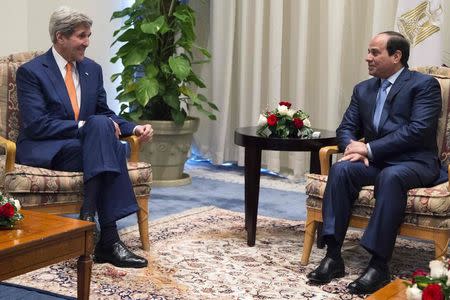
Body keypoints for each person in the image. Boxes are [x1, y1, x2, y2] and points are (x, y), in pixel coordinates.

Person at [306, 31, 445, 294]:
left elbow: (418, 130)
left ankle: (379, 265)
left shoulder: (423, 85)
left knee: (390, 176)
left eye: (374, 53)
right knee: (342, 169)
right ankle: (333, 256)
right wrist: (353, 148)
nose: (367, 58)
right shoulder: (363, 89)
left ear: (396, 56)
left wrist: (368, 148)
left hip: (415, 162)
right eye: (368, 52)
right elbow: (346, 127)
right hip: (376, 161)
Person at [15, 7, 153, 269]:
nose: (87, 42)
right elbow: (37, 125)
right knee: (107, 143)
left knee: (101, 131)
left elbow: (104, 113)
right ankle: (108, 239)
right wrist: (84, 126)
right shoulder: (31, 72)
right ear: (60, 37)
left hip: (85, 147)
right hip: (47, 148)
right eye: (81, 36)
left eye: (88, 35)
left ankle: (88, 217)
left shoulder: (92, 69)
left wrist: (134, 129)